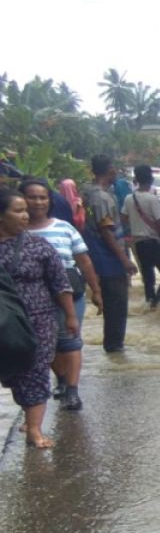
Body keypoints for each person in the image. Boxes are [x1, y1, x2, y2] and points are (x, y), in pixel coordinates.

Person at [0, 187, 76, 448]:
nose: (25, 215)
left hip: (37, 321)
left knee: (35, 370)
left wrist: (70, 316)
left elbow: (60, 283)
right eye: (18, 210)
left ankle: (34, 429)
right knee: (12, 372)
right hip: (3, 323)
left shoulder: (38, 246)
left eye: (25, 211)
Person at [20, 178, 103, 411]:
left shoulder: (65, 228)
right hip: (32, 299)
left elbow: (84, 261)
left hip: (69, 294)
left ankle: (72, 391)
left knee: (70, 341)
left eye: (43, 197)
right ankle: (64, 380)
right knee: (45, 345)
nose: (38, 202)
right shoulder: (13, 233)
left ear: (50, 200)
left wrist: (95, 290)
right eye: (32, 197)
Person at [81, 154, 137, 352]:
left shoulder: (89, 192)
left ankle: (114, 349)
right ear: (110, 170)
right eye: (115, 169)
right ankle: (115, 349)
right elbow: (106, 231)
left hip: (102, 256)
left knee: (114, 309)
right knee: (117, 308)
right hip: (108, 260)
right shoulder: (101, 197)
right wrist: (124, 260)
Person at [122, 165, 160, 308]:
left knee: (148, 278)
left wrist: (136, 224)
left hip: (138, 244)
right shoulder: (152, 199)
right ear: (151, 180)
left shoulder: (129, 198)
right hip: (153, 243)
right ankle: (158, 301)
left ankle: (149, 303)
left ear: (136, 180)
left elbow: (124, 218)